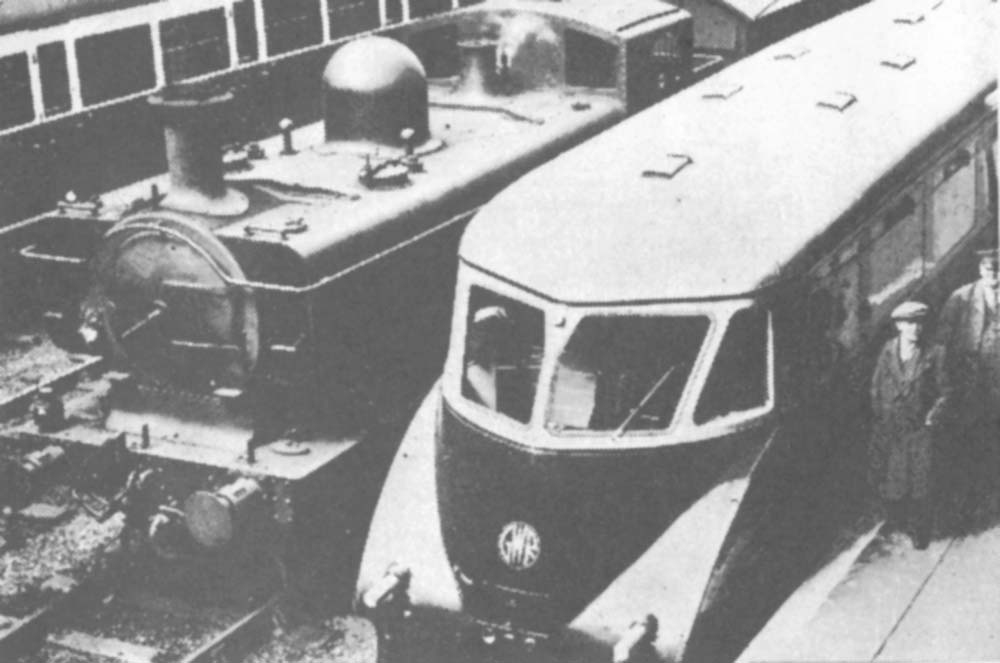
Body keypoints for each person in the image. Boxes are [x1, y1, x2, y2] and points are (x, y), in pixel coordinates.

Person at [869, 301, 949, 549]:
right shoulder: (888, 350)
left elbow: (946, 391)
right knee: (895, 478)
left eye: (919, 323)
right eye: (909, 323)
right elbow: (876, 385)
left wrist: (931, 418)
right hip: (892, 427)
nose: (915, 329)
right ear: (899, 325)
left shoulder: (935, 352)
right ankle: (897, 522)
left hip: (919, 429)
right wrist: (881, 414)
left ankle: (920, 532)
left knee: (921, 482)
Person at [936, 246, 1000, 523]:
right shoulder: (961, 298)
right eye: (988, 268)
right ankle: (969, 493)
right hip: (971, 377)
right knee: (971, 430)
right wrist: (945, 378)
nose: (994, 274)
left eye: (997, 269)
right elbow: (942, 339)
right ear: (980, 269)